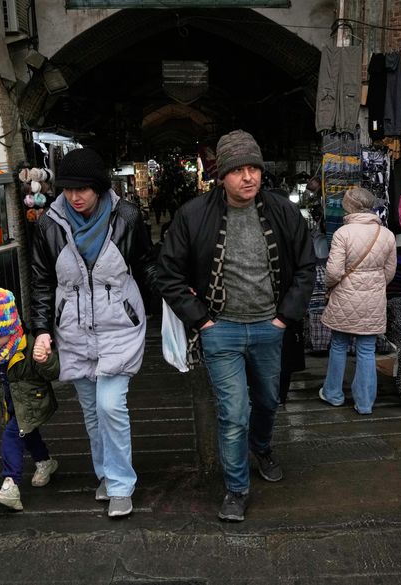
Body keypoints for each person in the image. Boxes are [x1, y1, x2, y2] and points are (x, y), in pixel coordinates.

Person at [157, 129, 316, 522]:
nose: (248, 177)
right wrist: (203, 320)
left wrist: (284, 318)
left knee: (266, 402)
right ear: (221, 175)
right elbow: (168, 273)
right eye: (238, 170)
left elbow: (307, 267)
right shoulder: (193, 215)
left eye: (254, 168)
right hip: (221, 331)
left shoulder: (283, 211)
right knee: (233, 412)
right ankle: (236, 489)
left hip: (268, 328)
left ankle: (261, 447)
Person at [31, 147, 156, 519]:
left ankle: (120, 484)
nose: (76, 196)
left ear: (99, 188)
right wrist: (40, 330)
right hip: (73, 330)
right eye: (69, 189)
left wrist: (173, 303)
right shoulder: (48, 224)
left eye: (84, 188)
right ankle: (104, 473)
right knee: (91, 410)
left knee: (109, 404)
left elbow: (146, 264)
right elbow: (40, 281)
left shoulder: (127, 217)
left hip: (120, 324)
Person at [0, 286, 60, 512]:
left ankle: (10, 485)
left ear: (12, 326)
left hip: (32, 401)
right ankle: (45, 462)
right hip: (8, 403)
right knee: (28, 435)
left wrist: (44, 360)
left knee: (12, 436)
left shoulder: (28, 344)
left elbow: (53, 374)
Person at [318, 187, 397, 415]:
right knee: (366, 350)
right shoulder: (387, 234)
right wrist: (373, 284)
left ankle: (333, 393)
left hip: (344, 296)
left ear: (349, 206)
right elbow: (389, 272)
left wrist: (330, 287)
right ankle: (364, 403)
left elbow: (333, 272)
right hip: (373, 300)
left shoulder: (343, 233)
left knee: (339, 345)